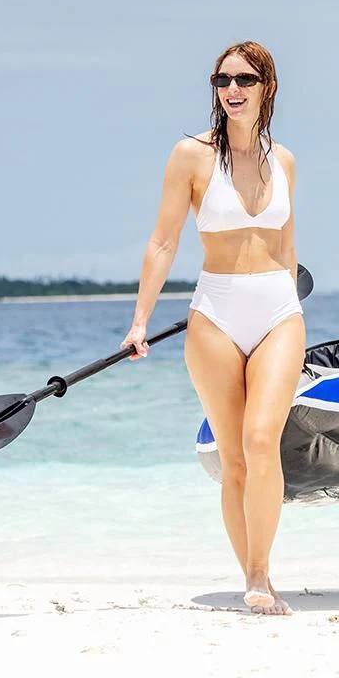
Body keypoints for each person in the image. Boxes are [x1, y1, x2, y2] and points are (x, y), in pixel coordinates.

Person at [121, 41, 304, 615]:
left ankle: (261, 571)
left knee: (261, 440)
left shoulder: (286, 161)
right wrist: (141, 321)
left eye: (245, 79)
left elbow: (286, 244)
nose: (232, 89)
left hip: (277, 308)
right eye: (222, 80)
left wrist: (294, 297)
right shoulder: (191, 156)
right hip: (216, 313)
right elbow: (163, 240)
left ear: (266, 86)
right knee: (234, 459)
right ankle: (251, 573)